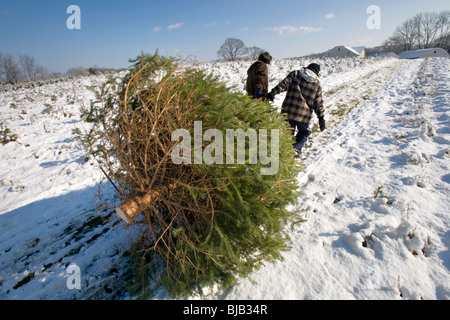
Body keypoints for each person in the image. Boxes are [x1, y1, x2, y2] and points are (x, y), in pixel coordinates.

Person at [265, 63, 326, 157]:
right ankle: (296, 148)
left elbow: (283, 84)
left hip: (288, 111)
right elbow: (318, 103)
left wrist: (273, 92)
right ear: (316, 73)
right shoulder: (316, 83)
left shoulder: (296, 74)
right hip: (303, 115)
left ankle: (283, 151)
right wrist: (321, 117)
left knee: (287, 132)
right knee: (304, 132)